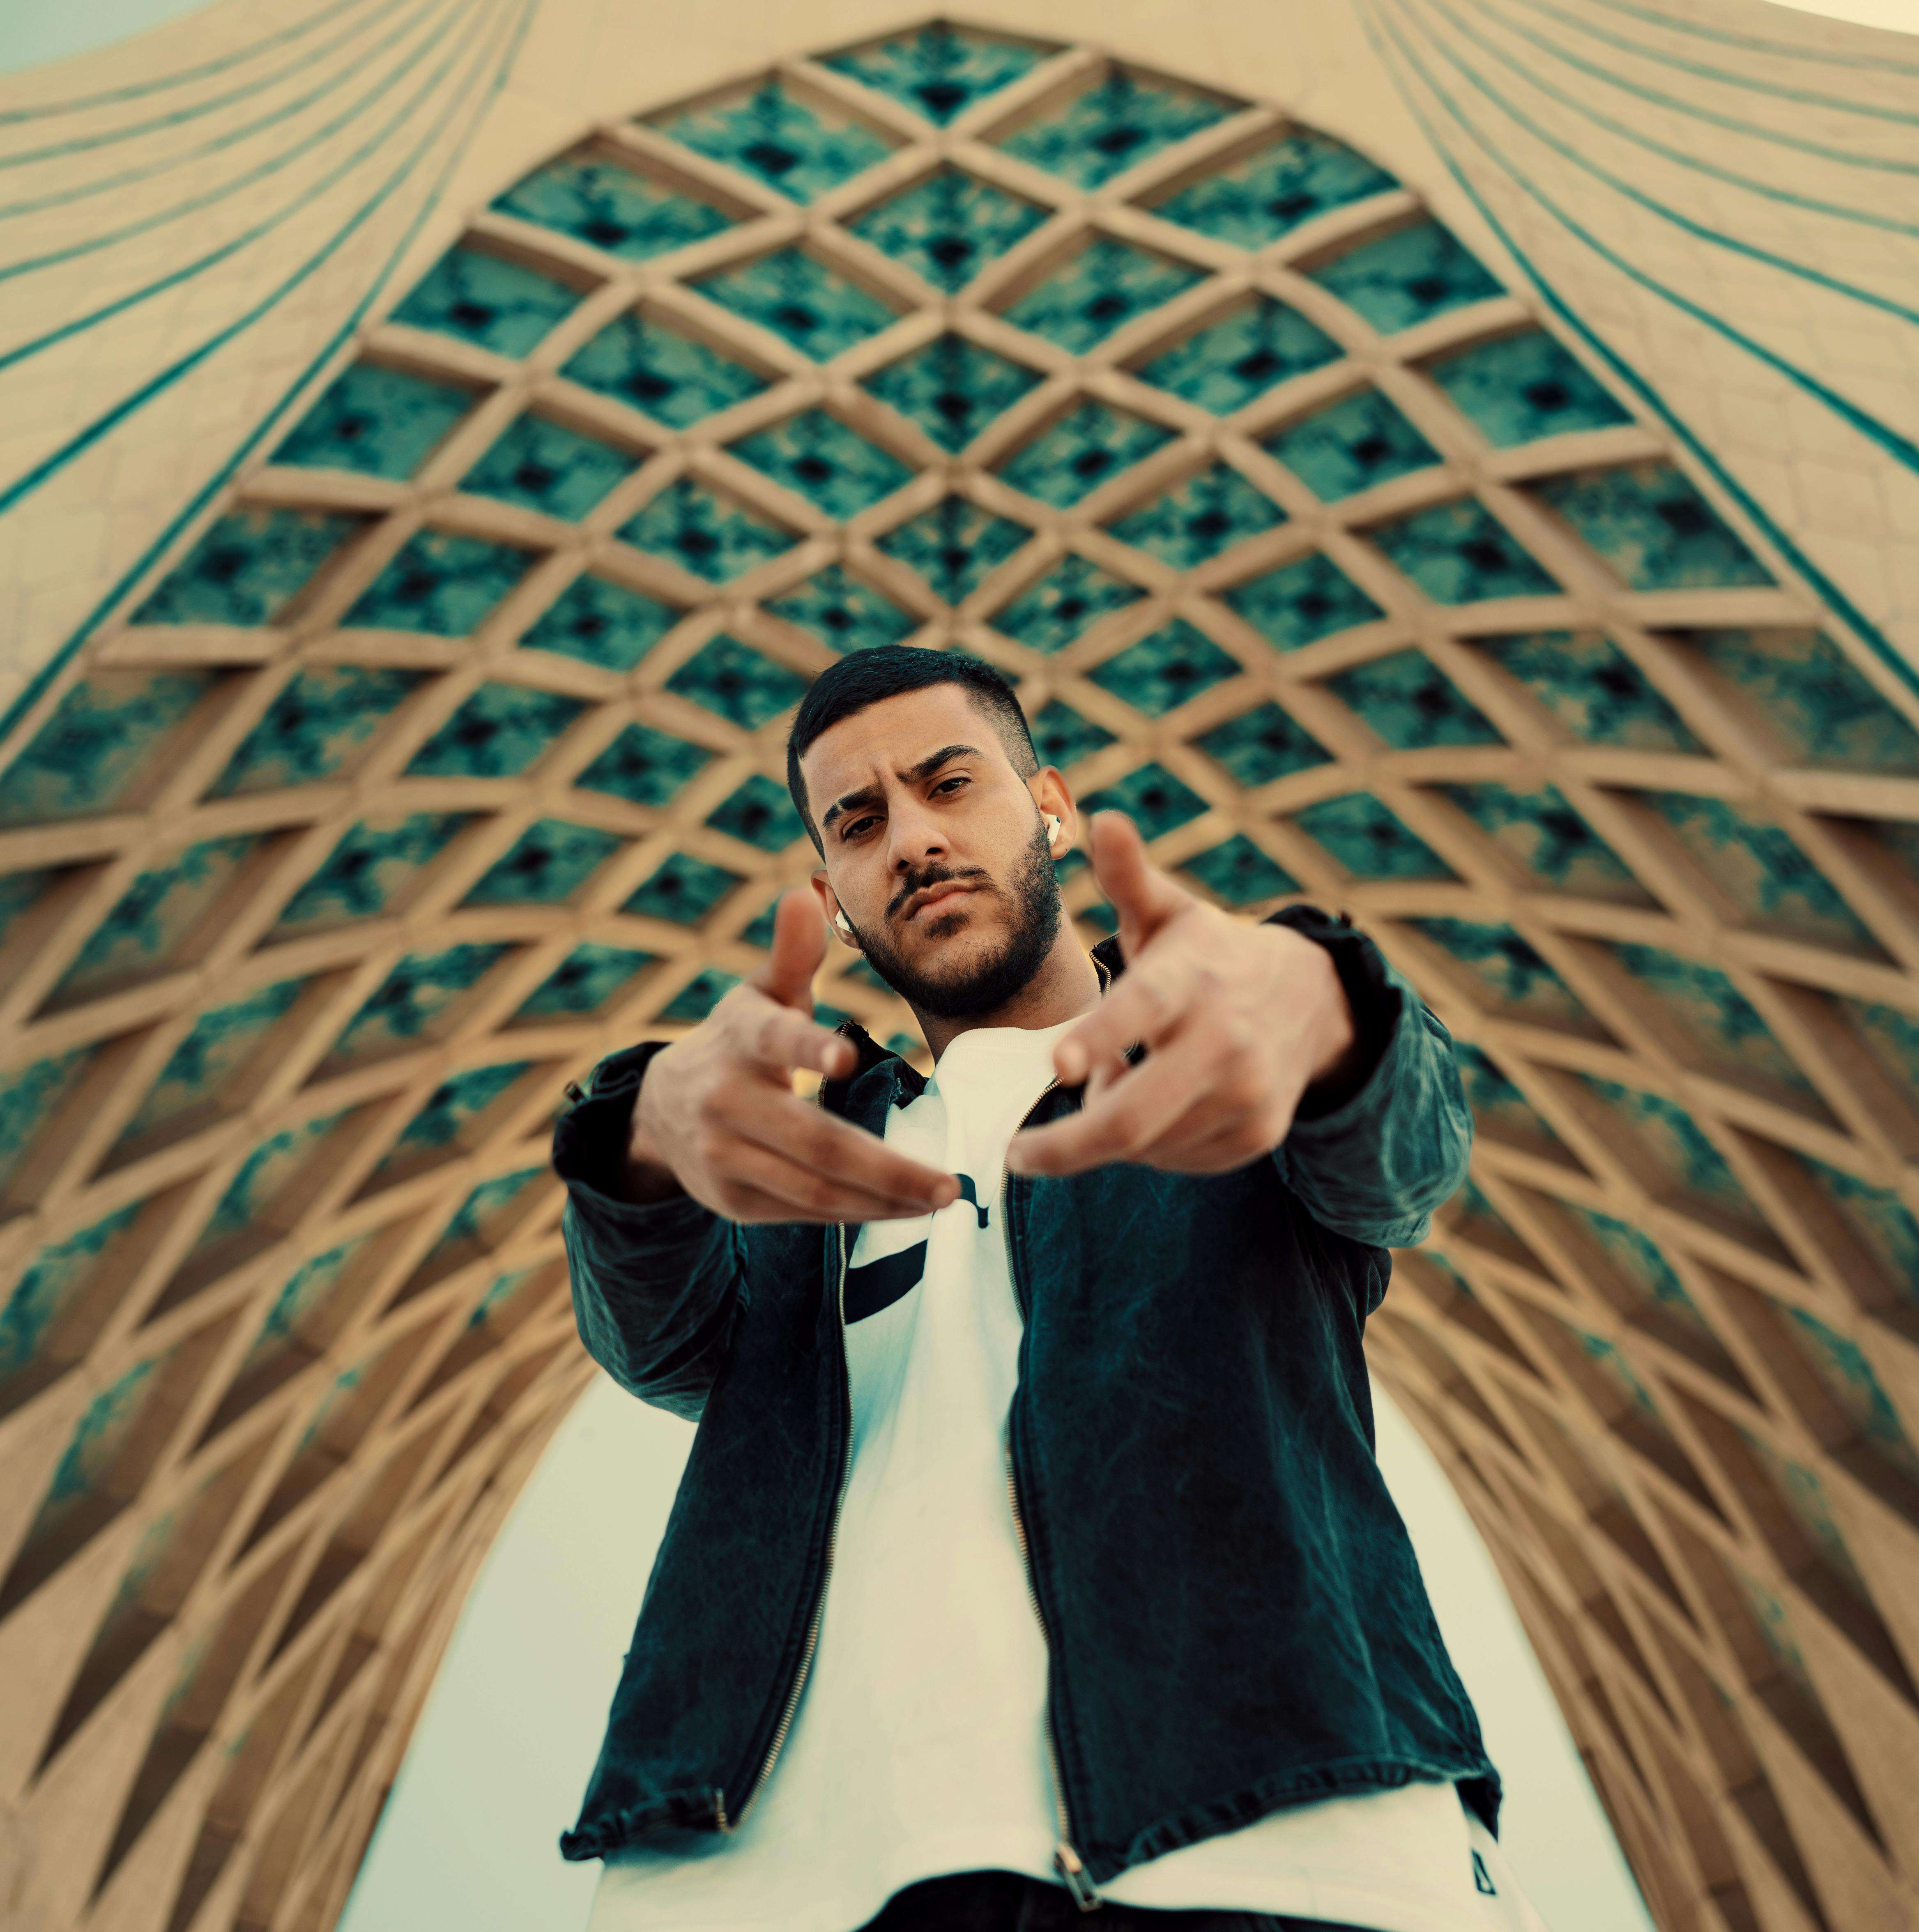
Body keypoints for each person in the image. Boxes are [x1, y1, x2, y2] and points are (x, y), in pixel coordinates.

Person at [552, 644, 1514, 1932]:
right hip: (793, 1873)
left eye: (951, 783)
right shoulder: (797, 1156)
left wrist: (1326, 1008)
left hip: (1275, 1835)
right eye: (858, 821)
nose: (912, 838)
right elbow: (655, 1338)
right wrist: (641, 1137)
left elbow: (1402, 1157)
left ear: (1050, 804)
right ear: (830, 894)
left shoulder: (1220, 1065)